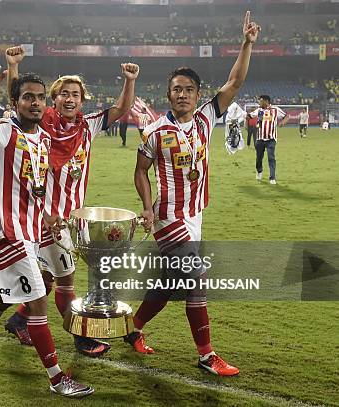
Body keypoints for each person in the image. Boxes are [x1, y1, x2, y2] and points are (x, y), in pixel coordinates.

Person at [0, 64, 94, 398]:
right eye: (28, 97)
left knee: (4, 297)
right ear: (16, 102)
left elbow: (36, 187)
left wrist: (47, 217)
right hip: (9, 231)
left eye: (41, 98)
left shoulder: (42, 138)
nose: (36, 103)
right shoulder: (4, 131)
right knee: (38, 301)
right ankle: (58, 379)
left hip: (33, 229)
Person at [132, 11, 262, 376]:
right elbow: (140, 171)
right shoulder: (155, 132)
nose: (183, 94)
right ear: (169, 94)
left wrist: (247, 43)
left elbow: (235, 81)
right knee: (195, 279)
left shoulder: (207, 117)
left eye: (189, 89)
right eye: (177, 89)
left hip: (195, 215)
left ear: (198, 94)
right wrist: (146, 208)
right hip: (168, 216)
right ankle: (207, 356)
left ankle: (132, 328)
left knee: (169, 283)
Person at [4, 45, 139, 358]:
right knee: (62, 280)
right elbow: (16, 102)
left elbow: (120, 110)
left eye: (75, 94)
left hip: (67, 218)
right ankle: (83, 336)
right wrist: (13, 67)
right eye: (64, 93)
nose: (69, 98)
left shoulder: (87, 125)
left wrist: (129, 81)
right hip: (41, 217)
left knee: (48, 279)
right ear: (54, 98)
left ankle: (18, 320)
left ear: (82, 99)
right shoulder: (40, 123)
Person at [249, 95, 289, 185]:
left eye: (261, 101)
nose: (259, 102)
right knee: (259, 158)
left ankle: (272, 177)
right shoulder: (258, 110)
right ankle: (259, 171)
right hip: (260, 139)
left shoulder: (275, 110)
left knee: (271, 157)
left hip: (271, 139)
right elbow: (249, 116)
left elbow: (286, 116)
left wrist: (283, 122)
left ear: (266, 101)